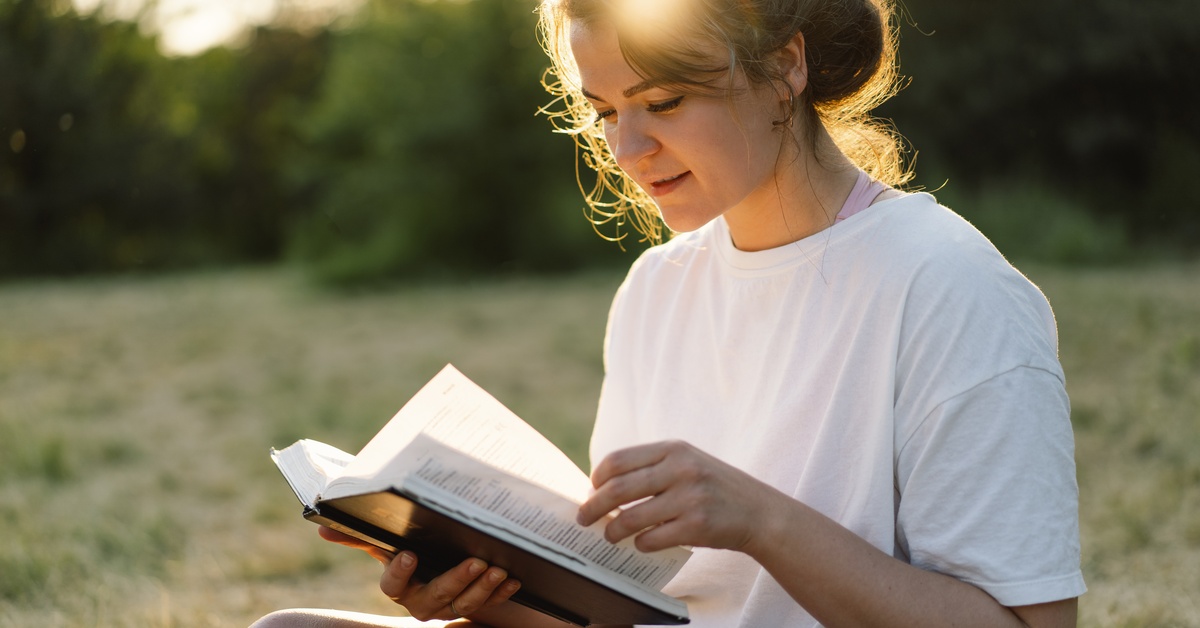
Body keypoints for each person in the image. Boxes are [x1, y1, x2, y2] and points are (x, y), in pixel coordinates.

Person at [253, 0, 1086, 625]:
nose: (625, 149)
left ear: (785, 68)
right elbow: (640, 608)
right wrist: (482, 593)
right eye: (605, 110)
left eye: (663, 100)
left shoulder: (952, 289)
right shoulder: (657, 288)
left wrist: (761, 521)